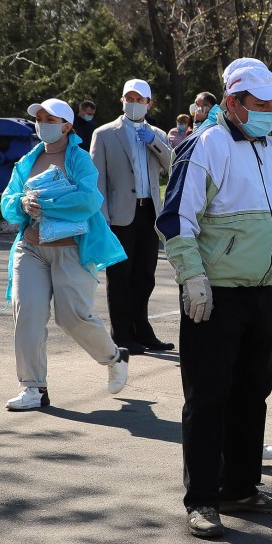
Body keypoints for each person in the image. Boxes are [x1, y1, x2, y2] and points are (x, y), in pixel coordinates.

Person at [157, 60, 272, 539]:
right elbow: (177, 220)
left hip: (257, 295)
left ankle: (241, 487)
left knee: (252, 395)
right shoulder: (205, 145)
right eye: (259, 104)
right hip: (215, 296)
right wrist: (192, 279)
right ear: (232, 103)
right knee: (207, 400)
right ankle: (202, 499)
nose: (267, 111)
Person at [0, 98, 131, 411]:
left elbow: (88, 199)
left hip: (70, 250)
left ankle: (114, 356)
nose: (42, 122)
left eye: (50, 118)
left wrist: (47, 204)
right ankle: (33, 388)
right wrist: (22, 204)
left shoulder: (80, 159)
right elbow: (8, 200)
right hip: (30, 248)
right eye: (39, 117)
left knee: (72, 317)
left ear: (67, 126)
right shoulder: (28, 160)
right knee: (27, 313)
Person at [91, 78, 175, 356]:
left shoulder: (158, 134)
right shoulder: (104, 134)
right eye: (130, 98)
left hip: (148, 212)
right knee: (120, 277)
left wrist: (155, 144)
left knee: (144, 276)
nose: (135, 104)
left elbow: (173, 166)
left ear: (149, 104)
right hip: (118, 215)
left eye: (140, 100)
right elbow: (97, 179)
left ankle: (143, 329)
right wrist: (101, 216)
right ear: (122, 100)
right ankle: (123, 334)